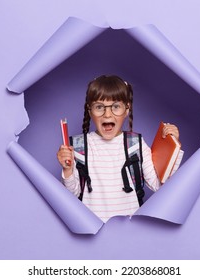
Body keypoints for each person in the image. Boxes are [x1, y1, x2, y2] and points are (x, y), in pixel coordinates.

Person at [57, 75, 180, 222]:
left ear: (126, 109)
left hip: (129, 231)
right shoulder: (78, 146)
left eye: (115, 107)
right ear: (90, 111)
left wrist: (172, 149)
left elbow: (159, 186)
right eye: (99, 107)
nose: (107, 114)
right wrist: (67, 170)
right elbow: (73, 194)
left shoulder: (135, 143)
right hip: (92, 229)